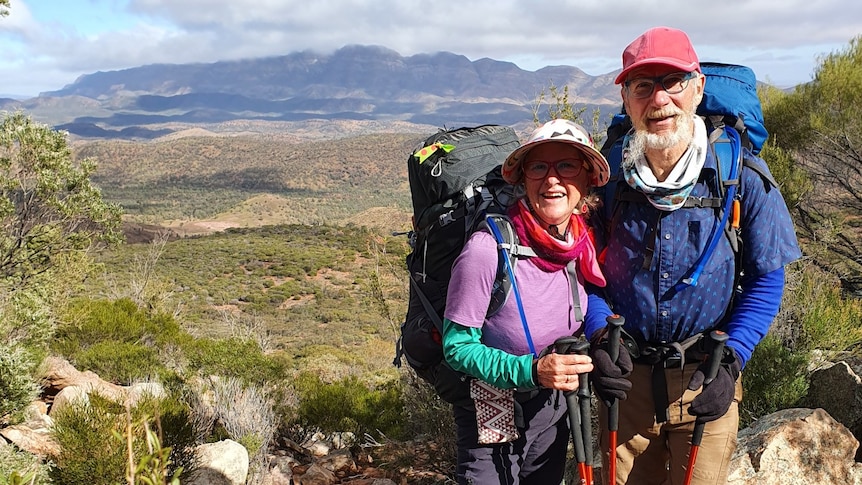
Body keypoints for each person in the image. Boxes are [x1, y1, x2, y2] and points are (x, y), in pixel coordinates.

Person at [583, 27, 803, 484]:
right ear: (626, 98)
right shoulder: (606, 179)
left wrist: (734, 357)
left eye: (673, 82)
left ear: (698, 87)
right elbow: (581, 274)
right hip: (626, 386)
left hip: (706, 376)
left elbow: (767, 279)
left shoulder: (740, 176)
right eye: (643, 86)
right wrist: (601, 336)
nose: (659, 98)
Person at [442, 118, 610, 485]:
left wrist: (599, 336)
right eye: (539, 167)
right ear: (523, 179)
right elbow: (456, 347)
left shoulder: (581, 244)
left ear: (587, 180)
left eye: (566, 165)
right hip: (492, 408)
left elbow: (593, 297)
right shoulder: (488, 249)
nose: (552, 179)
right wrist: (532, 371)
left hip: (554, 407)